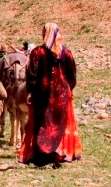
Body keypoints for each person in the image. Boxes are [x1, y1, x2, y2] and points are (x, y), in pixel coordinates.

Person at [19, 23, 82, 167]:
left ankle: (43, 153)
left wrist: (30, 91)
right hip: (62, 95)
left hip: (42, 95)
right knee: (61, 122)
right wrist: (67, 89)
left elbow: (32, 75)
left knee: (43, 123)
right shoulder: (67, 53)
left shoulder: (38, 52)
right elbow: (72, 76)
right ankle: (61, 152)